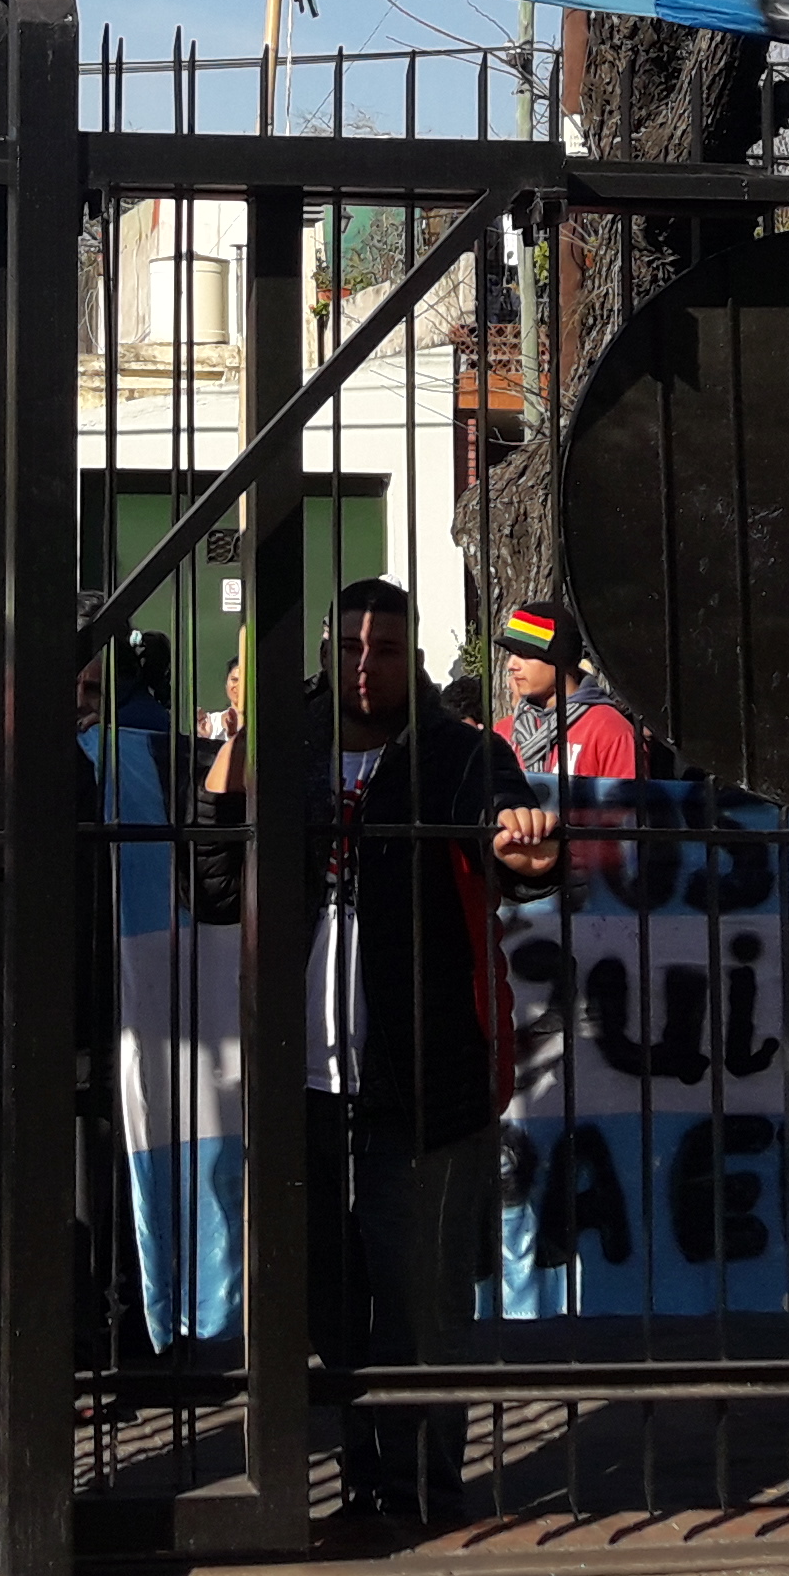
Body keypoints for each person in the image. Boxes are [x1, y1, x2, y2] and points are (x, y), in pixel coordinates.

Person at [209, 577, 558, 1528]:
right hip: (302, 1081)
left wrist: (527, 846)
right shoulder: (288, 747)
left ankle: (417, 1496)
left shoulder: (454, 751)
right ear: (327, 649)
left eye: (389, 650)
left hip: (422, 1078)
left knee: (420, 1310)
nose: (368, 667)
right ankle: (351, 1479)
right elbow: (208, 882)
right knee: (323, 1304)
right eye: (353, 647)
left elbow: (512, 829)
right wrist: (239, 737)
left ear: (413, 658)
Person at [490, 601, 652, 881]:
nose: (511, 666)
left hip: (592, 892)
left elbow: (630, 825)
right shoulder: (503, 732)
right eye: (511, 654)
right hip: (513, 891)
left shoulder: (611, 730)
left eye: (526, 655)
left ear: (561, 660)